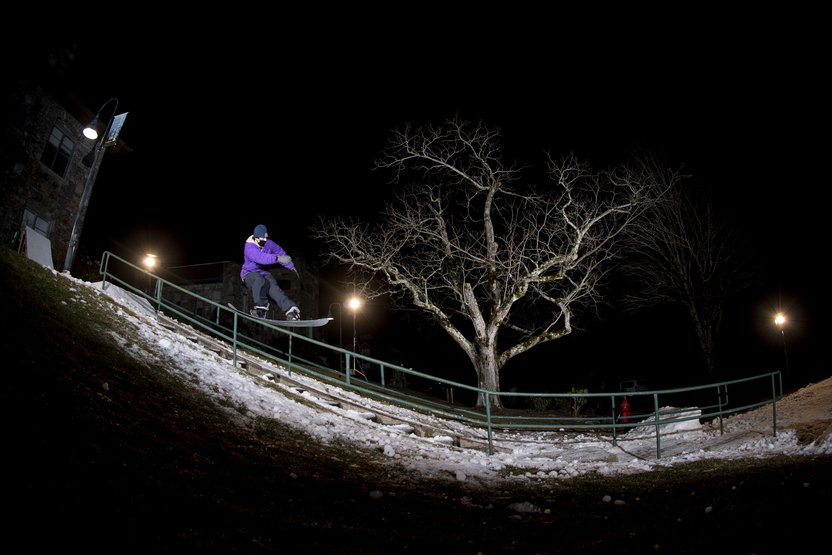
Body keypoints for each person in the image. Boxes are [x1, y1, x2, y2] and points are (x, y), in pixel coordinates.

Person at [240, 224, 301, 320]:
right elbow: (260, 258)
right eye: (261, 239)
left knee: (273, 286)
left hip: (263, 273)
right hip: (249, 274)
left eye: (265, 239)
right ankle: (260, 309)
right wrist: (277, 258)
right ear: (255, 238)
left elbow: (280, 252)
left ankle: (291, 310)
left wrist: (290, 265)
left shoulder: (268, 243)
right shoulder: (249, 247)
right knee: (259, 280)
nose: (264, 241)